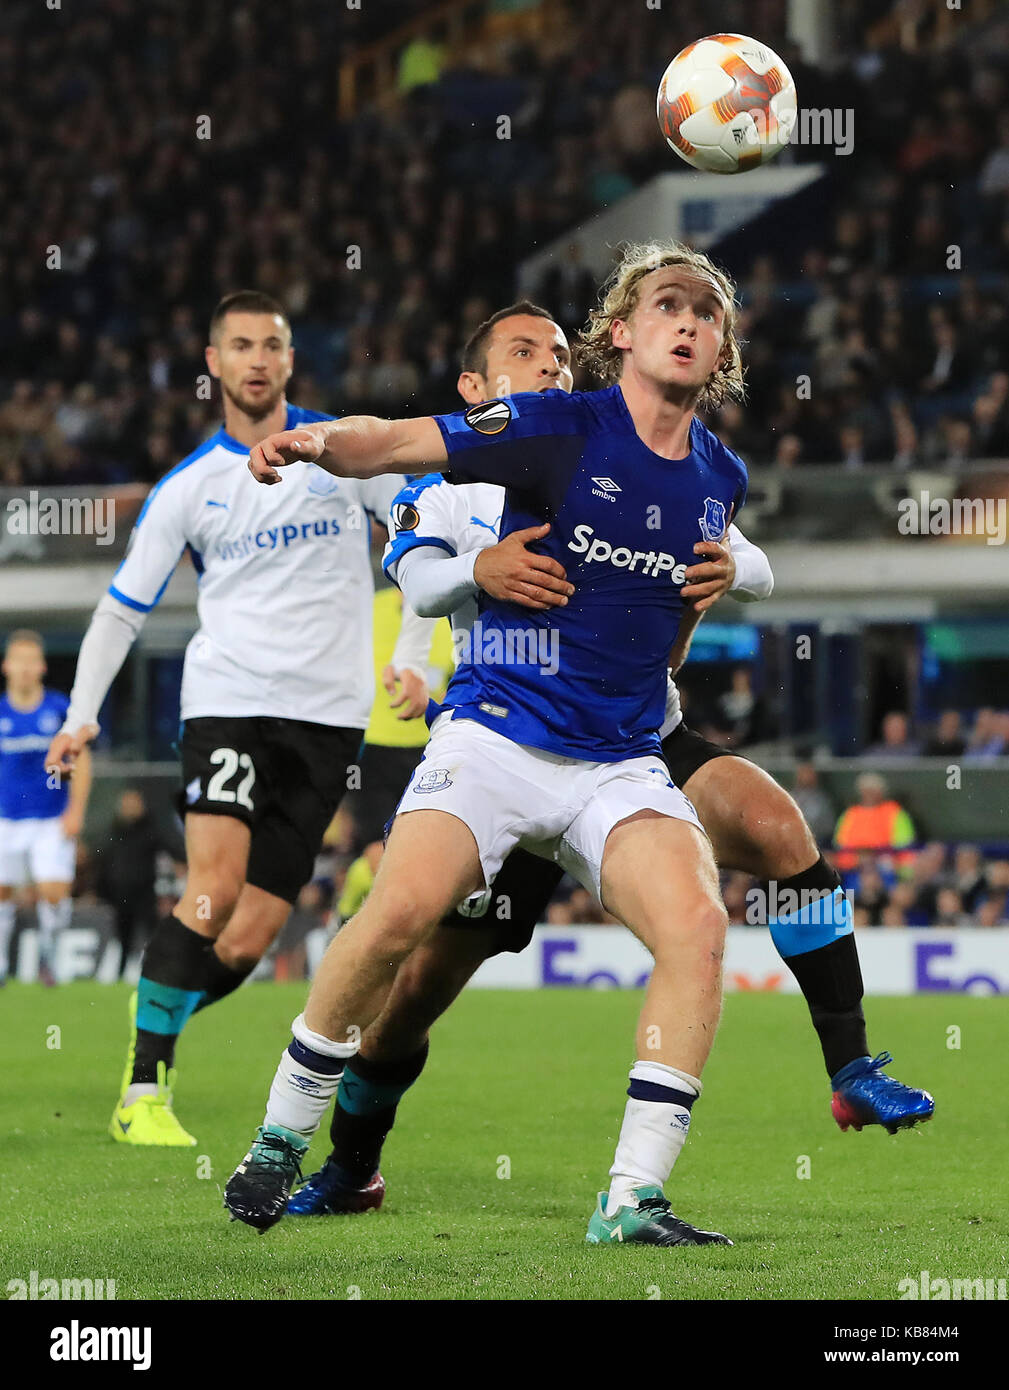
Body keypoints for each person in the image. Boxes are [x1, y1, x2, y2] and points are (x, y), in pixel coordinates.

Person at [226, 244, 932, 1244]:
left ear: (721, 347)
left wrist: (719, 584)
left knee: (695, 928)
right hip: (499, 740)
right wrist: (308, 443)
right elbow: (390, 446)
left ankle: (632, 1197)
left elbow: (691, 607)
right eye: (666, 305)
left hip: (620, 756)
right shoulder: (551, 428)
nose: (688, 322)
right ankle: (286, 1141)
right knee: (400, 927)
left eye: (706, 312)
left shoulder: (716, 476)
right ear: (624, 334)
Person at [45, 290, 436, 1146]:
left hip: (329, 720)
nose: (257, 358)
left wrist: (413, 653)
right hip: (227, 701)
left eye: (272, 344)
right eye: (240, 345)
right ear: (213, 365)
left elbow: (421, 534)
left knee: (251, 935)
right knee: (213, 892)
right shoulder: (189, 486)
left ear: (290, 360)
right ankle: (143, 1091)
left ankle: (157, 1005)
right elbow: (121, 608)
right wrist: (79, 718)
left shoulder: (340, 452)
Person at [0, 630, 91, 986]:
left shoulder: (58, 710)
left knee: (53, 891)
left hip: (50, 818)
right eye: (17, 660)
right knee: (3, 891)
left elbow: (81, 762)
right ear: (7, 666)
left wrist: (76, 811)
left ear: (40, 666)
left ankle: (49, 956)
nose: (23, 668)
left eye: (30, 661)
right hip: (5, 817)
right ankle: (3, 966)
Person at [94, 789, 184, 980]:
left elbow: (171, 848)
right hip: (120, 894)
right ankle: (120, 972)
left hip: (144, 893)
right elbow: (104, 862)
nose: (129, 808)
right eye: (126, 804)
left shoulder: (150, 831)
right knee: (123, 937)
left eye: (133, 804)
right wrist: (102, 889)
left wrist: (182, 861)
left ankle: (157, 971)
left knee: (151, 935)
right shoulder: (115, 832)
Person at [834, 773, 916, 871]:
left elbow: (904, 844)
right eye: (866, 790)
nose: (869, 794)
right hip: (853, 865)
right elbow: (840, 844)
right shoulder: (850, 814)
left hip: (885, 864)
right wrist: (859, 858)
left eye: (873, 790)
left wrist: (874, 856)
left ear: (881, 792)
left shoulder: (895, 812)